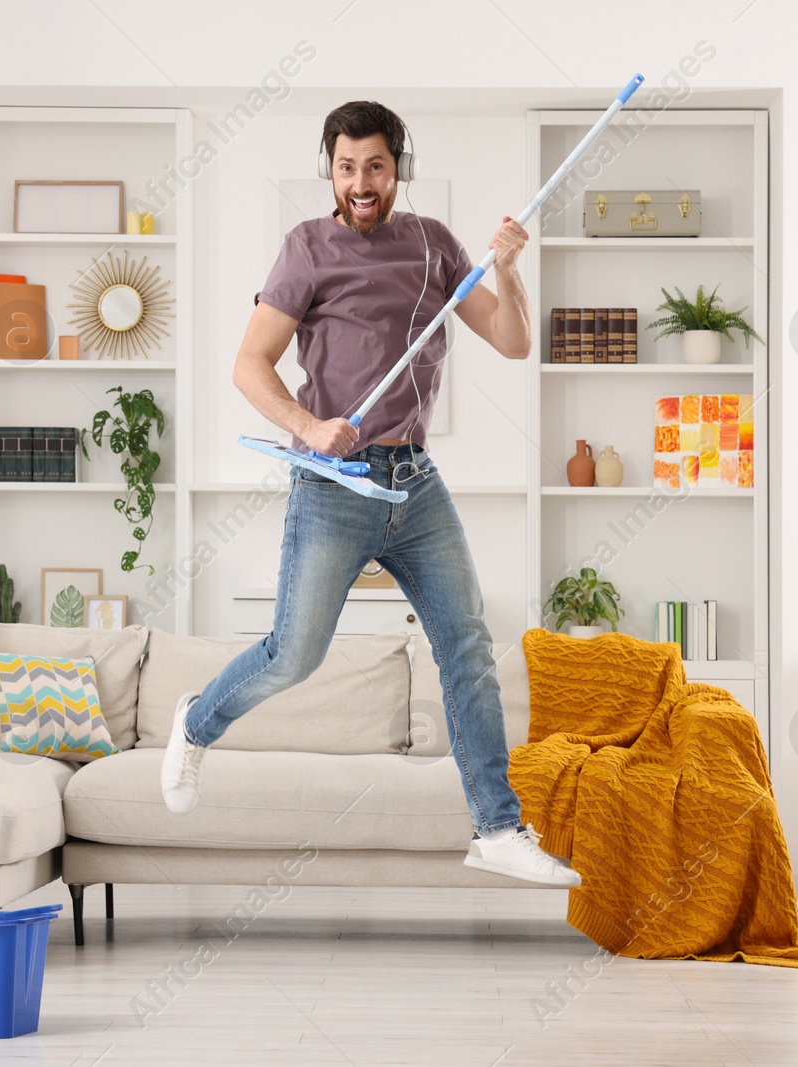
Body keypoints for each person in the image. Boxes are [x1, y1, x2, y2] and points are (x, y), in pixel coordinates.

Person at [159, 100, 580, 889]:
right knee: (294, 654)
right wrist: (307, 424)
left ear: (398, 169)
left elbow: (515, 342)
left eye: (376, 167)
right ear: (332, 168)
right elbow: (251, 365)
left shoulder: (433, 245)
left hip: (414, 484)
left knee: (469, 649)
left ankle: (496, 826)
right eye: (347, 167)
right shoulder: (306, 248)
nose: (361, 183)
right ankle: (198, 720)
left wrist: (511, 270)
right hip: (334, 485)